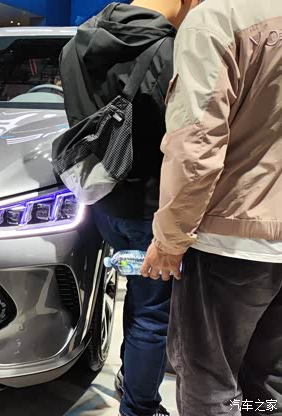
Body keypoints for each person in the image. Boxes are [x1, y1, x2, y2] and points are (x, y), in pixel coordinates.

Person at [59, 1, 201, 416]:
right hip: (150, 206)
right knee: (152, 313)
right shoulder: (172, 50)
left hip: (100, 196)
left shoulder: (75, 45)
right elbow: (185, 140)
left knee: (135, 297)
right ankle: (140, 406)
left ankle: (131, 376)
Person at [141, 1, 282, 414]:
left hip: (231, 241)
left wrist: (169, 241)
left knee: (210, 384)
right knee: (270, 383)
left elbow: (196, 148)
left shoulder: (218, 19)